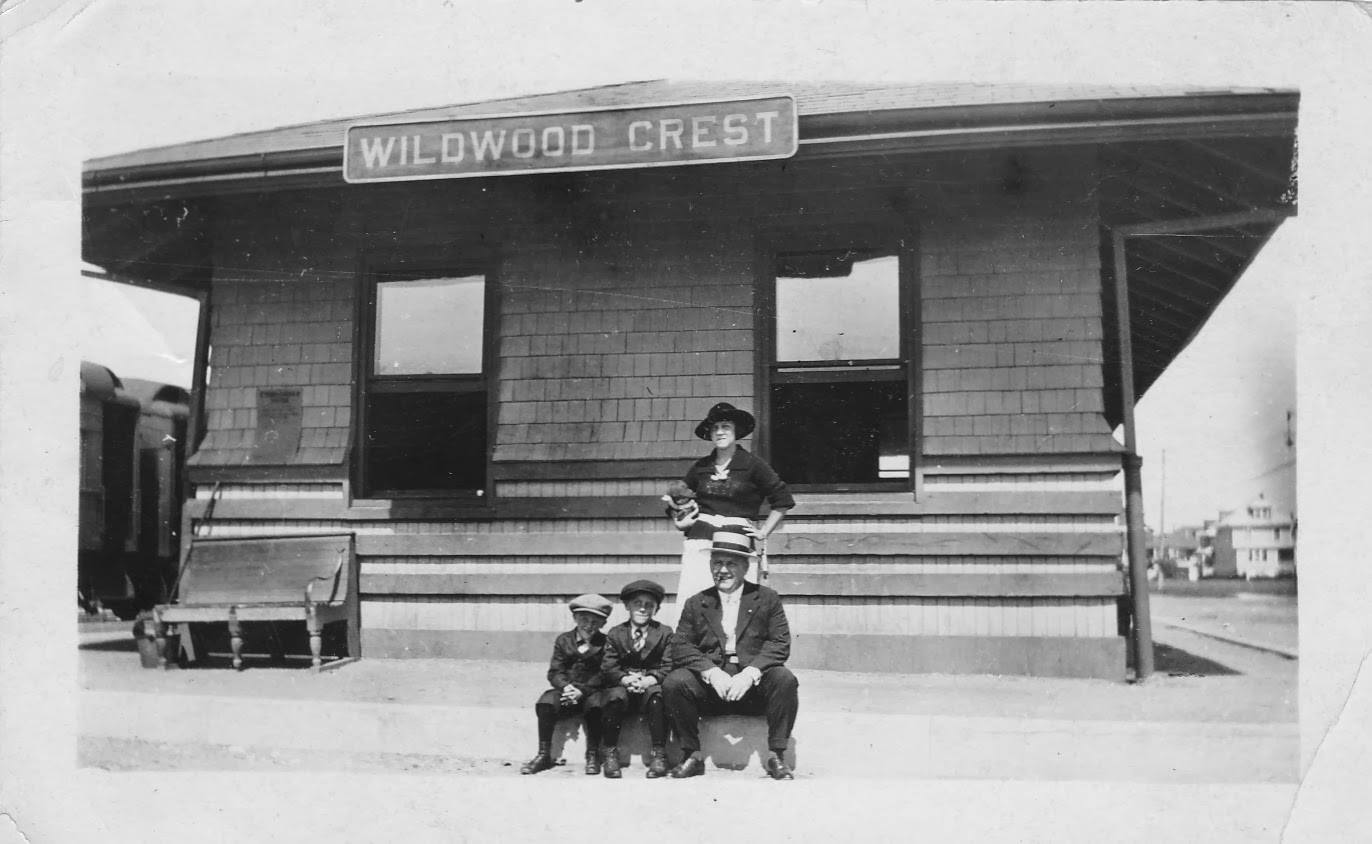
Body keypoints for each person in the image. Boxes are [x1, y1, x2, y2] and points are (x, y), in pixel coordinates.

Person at [662, 530, 799, 781]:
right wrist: (710, 672)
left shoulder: (766, 598)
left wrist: (750, 673)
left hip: (751, 687)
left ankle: (776, 755)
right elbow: (680, 645)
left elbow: (780, 643)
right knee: (675, 682)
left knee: (784, 679)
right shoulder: (697, 602)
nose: (722, 570)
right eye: (717, 563)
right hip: (712, 688)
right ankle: (691, 754)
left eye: (730, 564)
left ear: (745, 567)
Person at [667, 402, 794, 621]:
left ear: (736, 432)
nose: (720, 432)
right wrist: (680, 521)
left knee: (733, 608)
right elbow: (675, 499)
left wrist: (764, 533)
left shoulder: (753, 465)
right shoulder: (701, 467)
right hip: (701, 541)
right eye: (715, 428)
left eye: (725, 426)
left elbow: (782, 500)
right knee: (696, 602)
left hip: (737, 544)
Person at [519, 593, 613, 776]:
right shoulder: (564, 640)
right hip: (567, 690)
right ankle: (544, 754)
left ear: (603, 624)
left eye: (595, 622)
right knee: (546, 702)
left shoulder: (606, 643)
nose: (589, 625)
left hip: (591, 691)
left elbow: (605, 674)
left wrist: (582, 691)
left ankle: (593, 754)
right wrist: (566, 687)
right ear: (575, 618)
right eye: (584, 619)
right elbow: (555, 671)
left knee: (596, 706)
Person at [597, 579, 673, 779]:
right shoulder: (615, 633)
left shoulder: (664, 632)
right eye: (637, 604)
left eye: (649, 605)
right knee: (613, 699)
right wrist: (624, 679)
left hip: (650, 684)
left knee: (658, 698)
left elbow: (669, 664)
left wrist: (650, 679)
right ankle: (611, 753)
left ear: (656, 609)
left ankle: (659, 754)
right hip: (624, 685)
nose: (643, 609)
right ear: (627, 606)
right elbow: (608, 666)